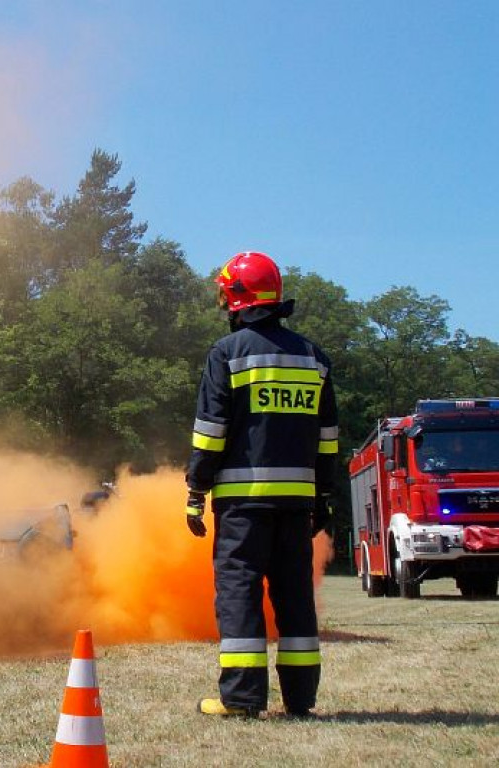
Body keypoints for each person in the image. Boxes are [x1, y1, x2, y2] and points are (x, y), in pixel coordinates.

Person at [184, 252, 339, 718]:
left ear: (237, 298)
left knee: (239, 592)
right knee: (294, 596)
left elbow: (211, 431)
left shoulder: (227, 354)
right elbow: (328, 438)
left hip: (242, 506)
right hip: (297, 504)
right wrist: (325, 497)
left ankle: (242, 698)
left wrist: (196, 490)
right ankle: (300, 700)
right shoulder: (314, 357)